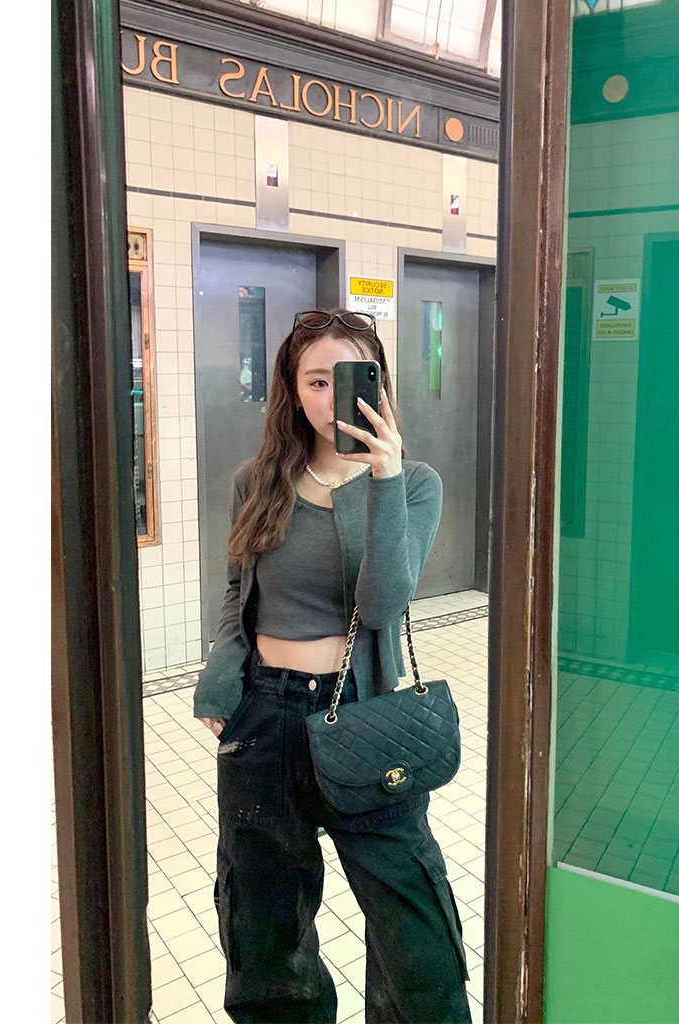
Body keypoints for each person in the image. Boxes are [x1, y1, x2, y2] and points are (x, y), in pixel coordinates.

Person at [193, 309, 472, 1024]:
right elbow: (239, 592)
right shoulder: (257, 480)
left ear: (377, 385)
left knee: (414, 927)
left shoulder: (414, 483)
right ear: (292, 389)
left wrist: (382, 476)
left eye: (347, 379)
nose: (330, 397)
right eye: (315, 381)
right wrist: (222, 676)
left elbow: (381, 605)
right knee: (264, 927)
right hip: (265, 718)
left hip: (364, 715)